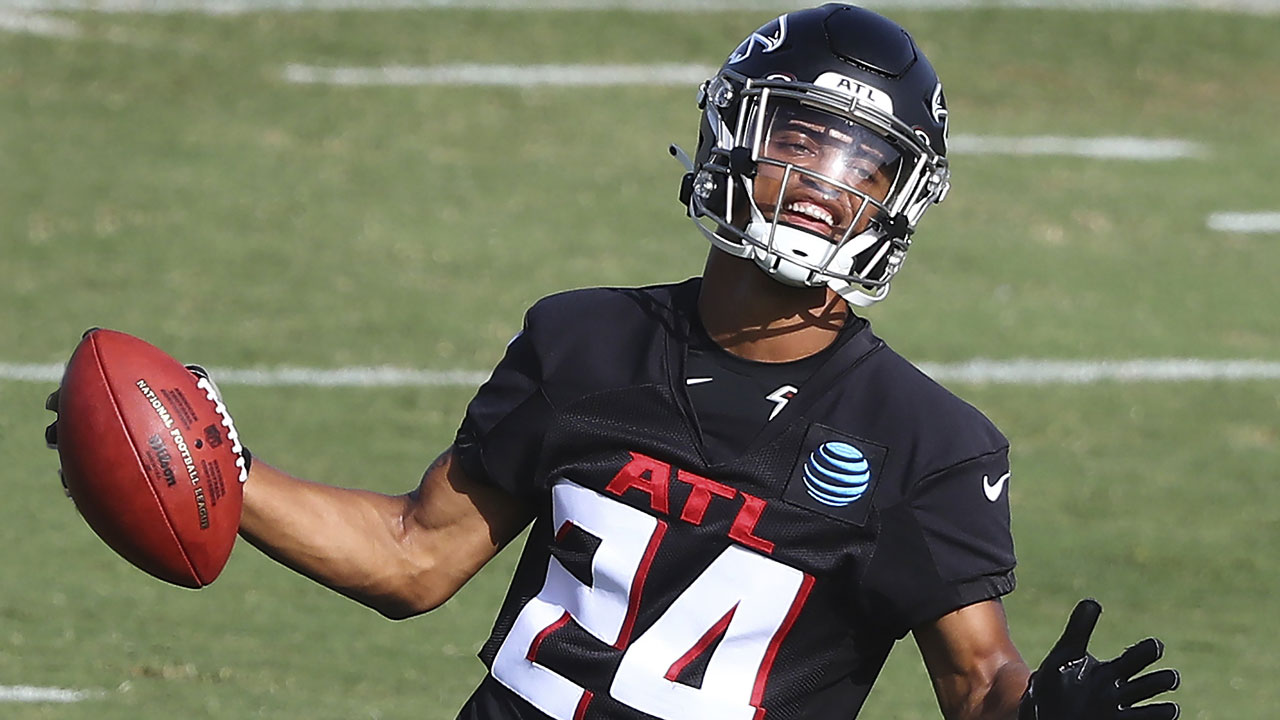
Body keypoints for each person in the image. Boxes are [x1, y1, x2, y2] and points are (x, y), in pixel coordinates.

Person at [46, 5, 1181, 720]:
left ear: (900, 205)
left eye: (862, 169)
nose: (824, 181)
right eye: (797, 138)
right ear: (731, 132)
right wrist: (207, 466)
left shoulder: (926, 440)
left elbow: (976, 679)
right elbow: (413, 559)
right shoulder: (585, 340)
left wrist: (1043, 712)